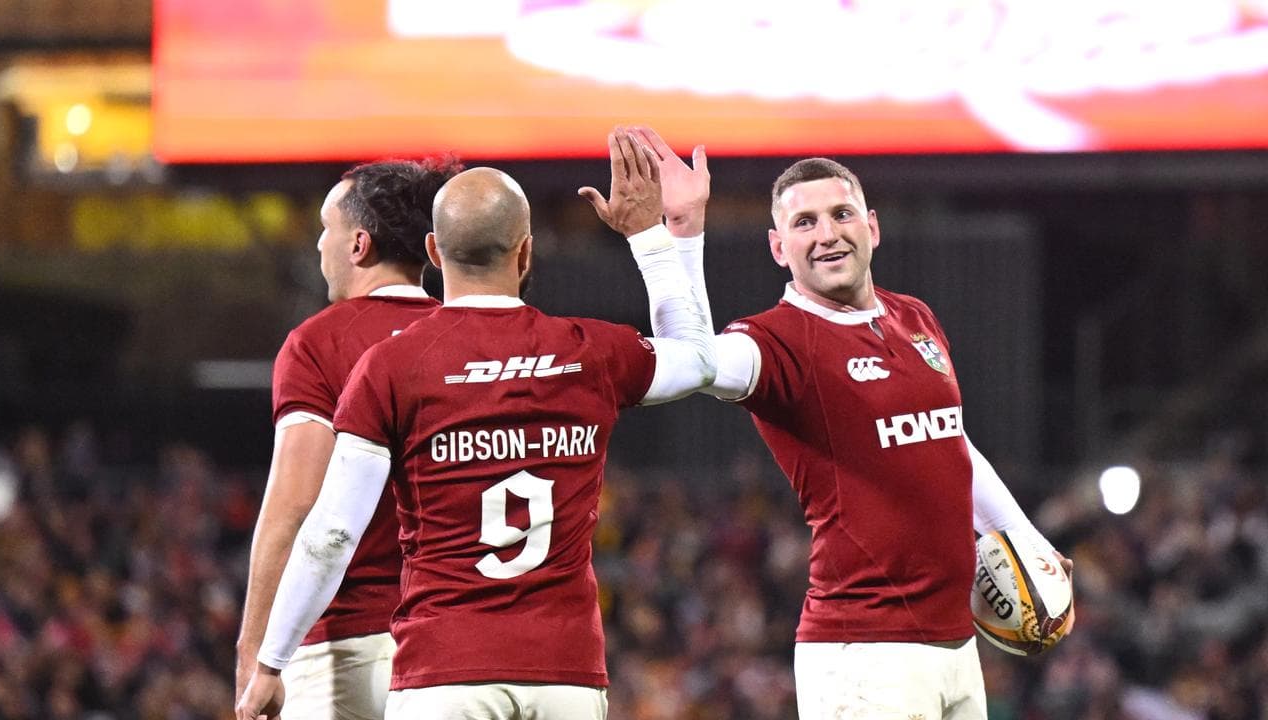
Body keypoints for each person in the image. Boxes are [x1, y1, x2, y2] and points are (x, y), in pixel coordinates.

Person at [236, 129, 716, 720]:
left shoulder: (390, 366)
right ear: (526, 253)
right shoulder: (589, 351)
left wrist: (269, 660)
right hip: (564, 670)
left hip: (444, 666)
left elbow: (331, 531)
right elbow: (697, 360)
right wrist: (655, 234)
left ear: (435, 254)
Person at [630, 126, 1073, 720]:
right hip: (863, 652)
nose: (827, 234)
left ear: (873, 226)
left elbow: (951, 443)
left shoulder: (913, 316)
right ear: (778, 248)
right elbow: (695, 360)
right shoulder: (776, 342)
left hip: (956, 645)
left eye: (840, 214)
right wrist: (682, 233)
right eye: (804, 223)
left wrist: (1027, 539)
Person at [234, 158, 460, 719]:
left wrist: (256, 648)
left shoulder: (318, 344)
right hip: (452, 647)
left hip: (344, 644)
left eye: (325, 227)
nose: (318, 245)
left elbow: (296, 507)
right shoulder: (468, 340)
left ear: (359, 244)